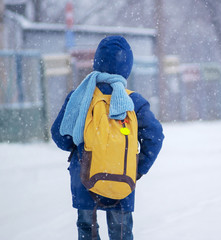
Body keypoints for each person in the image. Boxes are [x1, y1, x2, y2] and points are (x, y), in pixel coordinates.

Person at [51, 35, 164, 240]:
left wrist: (83, 149)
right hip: (122, 177)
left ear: (97, 62)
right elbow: (155, 137)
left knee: (87, 229)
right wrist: (137, 168)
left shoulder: (80, 96)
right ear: (127, 67)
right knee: (120, 233)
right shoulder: (134, 101)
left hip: (85, 177)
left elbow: (60, 136)